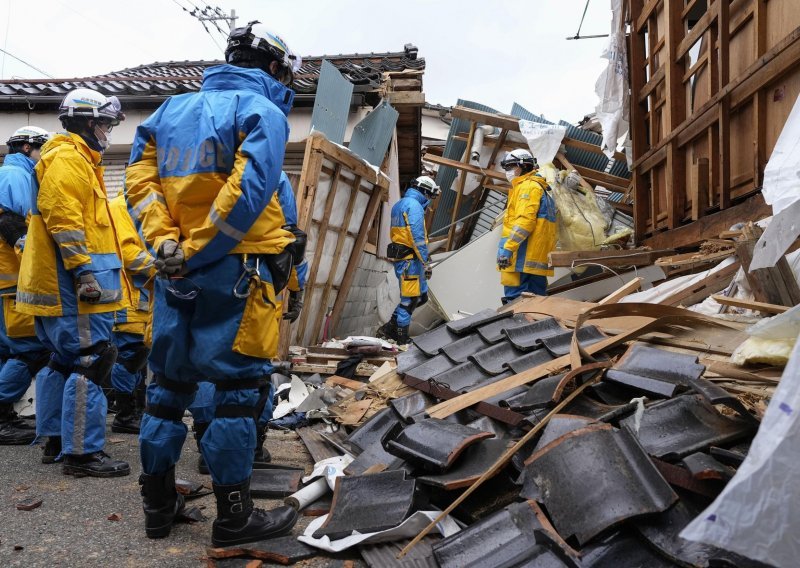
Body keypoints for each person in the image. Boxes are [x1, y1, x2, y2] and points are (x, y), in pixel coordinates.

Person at [126, 21, 301, 545]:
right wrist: (203, 248)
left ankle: (157, 507)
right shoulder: (262, 112)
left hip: (174, 272)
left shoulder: (166, 112)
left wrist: (167, 247)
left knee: (165, 391)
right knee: (235, 393)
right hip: (237, 272)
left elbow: (139, 183)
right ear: (274, 68)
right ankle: (234, 518)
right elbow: (249, 192)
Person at [16, 88, 131, 477]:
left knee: (62, 361)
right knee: (93, 360)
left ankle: (55, 440)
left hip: (65, 285)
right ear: (86, 121)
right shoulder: (69, 158)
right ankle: (81, 454)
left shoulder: (74, 159)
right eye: (104, 123)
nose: (107, 132)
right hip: (77, 289)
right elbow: (64, 218)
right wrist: (82, 271)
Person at [189, 171, 307, 475]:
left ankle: (206, 444)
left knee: (206, 363)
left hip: (197, 275)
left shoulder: (192, 163)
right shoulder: (271, 174)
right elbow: (288, 237)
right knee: (250, 370)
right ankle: (248, 447)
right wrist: (295, 287)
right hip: (250, 277)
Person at [0, 126, 52, 445]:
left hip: (6, 281)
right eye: (42, 149)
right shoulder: (14, 175)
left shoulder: (15, 173)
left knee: (7, 351)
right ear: (28, 147)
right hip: (11, 280)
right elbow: (9, 223)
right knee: (31, 349)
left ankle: (4, 416)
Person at [107, 195, 156, 434]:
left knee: (138, 356)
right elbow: (128, 254)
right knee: (129, 356)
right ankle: (124, 415)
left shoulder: (140, 207)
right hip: (127, 297)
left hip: (141, 296)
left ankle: (134, 411)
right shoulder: (120, 208)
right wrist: (163, 268)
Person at [377, 175, 440, 345]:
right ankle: (401, 337)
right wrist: (426, 260)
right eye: (430, 195)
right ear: (425, 191)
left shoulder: (401, 204)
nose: (430, 199)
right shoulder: (415, 206)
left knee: (421, 296)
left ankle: (390, 327)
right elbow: (417, 236)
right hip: (410, 261)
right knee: (410, 299)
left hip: (407, 259)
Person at [496, 148, 557, 303]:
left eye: (511, 167)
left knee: (516, 303)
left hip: (520, 257)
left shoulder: (527, 187)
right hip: (535, 259)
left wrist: (508, 250)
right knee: (538, 304)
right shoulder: (542, 188)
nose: (508, 172)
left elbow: (525, 222)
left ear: (523, 166)